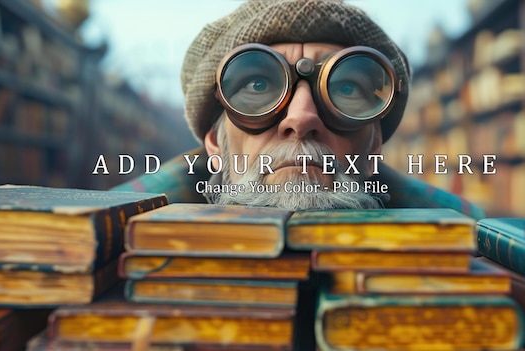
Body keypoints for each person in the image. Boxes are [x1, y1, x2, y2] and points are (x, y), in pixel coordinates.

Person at [112, 0, 484, 219]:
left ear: (374, 147)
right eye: (258, 86)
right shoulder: (112, 231)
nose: (301, 117)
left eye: (345, 88)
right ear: (215, 144)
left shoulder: (472, 239)